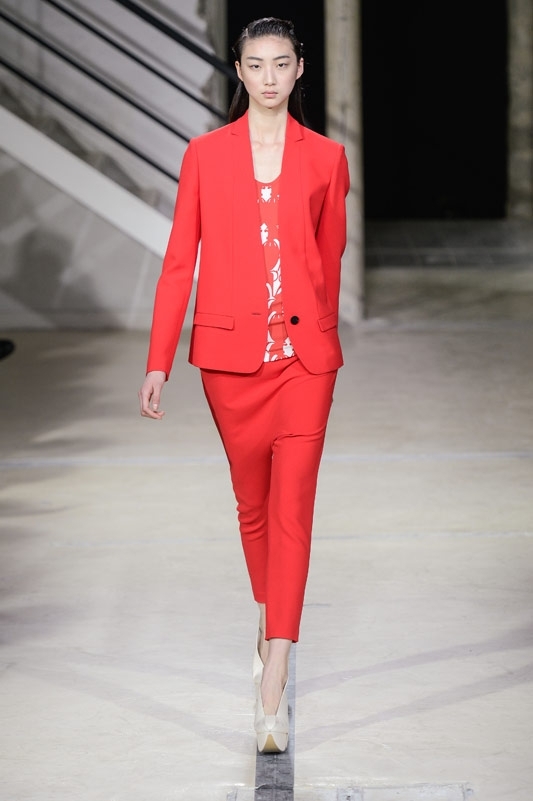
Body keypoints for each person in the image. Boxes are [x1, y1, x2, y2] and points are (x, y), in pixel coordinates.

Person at [139, 17, 349, 754]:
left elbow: (328, 259)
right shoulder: (204, 155)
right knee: (253, 507)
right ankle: (268, 616)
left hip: (303, 365)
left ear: (299, 70)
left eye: (280, 64)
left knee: (292, 510)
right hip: (230, 365)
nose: (268, 77)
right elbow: (179, 261)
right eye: (255, 64)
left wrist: (318, 341)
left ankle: (273, 681)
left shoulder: (327, 158)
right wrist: (158, 360)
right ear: (238, 70)